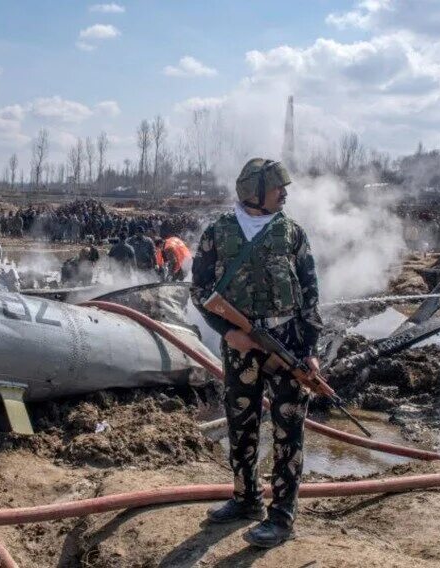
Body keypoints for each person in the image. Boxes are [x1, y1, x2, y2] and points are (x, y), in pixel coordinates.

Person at [191, 158, 322, 548]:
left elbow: (311, 294)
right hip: (240, 349)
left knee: (288, 430)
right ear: (254, 191)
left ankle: (281, 516)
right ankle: (246, 498)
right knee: (241, 422)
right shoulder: (218, 232)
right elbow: (199, 291)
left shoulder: (292, 234)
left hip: (287, 347)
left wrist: (309, 349)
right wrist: (229, 332)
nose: (285, 192)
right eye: (277, 186)